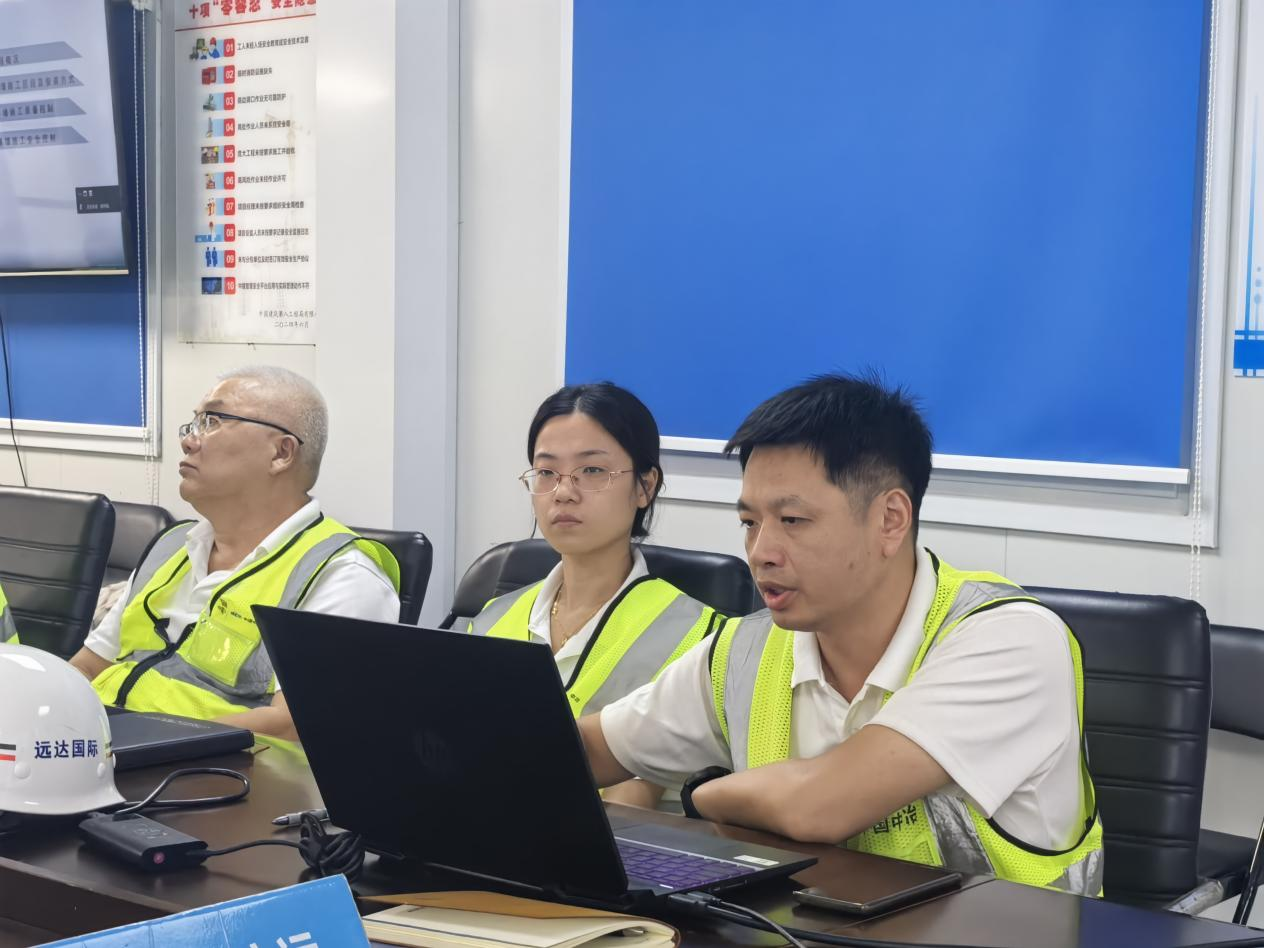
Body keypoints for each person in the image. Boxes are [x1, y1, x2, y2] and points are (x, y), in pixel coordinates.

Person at [576, 374, 1104, 893]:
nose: (761, 552)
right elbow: (590, 749)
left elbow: (818, 806)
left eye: (792, 520)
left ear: (890, 520)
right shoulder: (744, 653)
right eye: (750, 523)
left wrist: (704, 794)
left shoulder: (1012, 640)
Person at [69, 366, 401, 742]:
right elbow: (88, 667)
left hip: (206, 769)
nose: (189, 441)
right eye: (193, 423)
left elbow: (294, 724)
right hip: (101, 750)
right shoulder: (172, 546)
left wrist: (143, 740)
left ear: (281, 453)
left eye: (212, 421)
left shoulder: (341, 576)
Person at [468, 382, 725, 809]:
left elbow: (634, 799)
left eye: (591, 471)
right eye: (546, 472)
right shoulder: (493, 618)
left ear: (645, 487)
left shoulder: (701, 638)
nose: (563, 491)